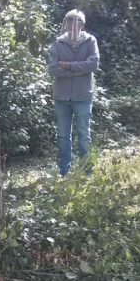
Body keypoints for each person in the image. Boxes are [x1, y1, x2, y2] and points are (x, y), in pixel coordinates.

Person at [47, 9, 100, 176]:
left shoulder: (90, 41)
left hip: (83, 96)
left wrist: (68, 66)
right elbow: (53, 69)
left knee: (84, 136)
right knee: (63, 137)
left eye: (76, 22)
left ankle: (87, 173)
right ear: (66, 24)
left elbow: (93, 64)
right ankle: (64, 172)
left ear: (82, 25)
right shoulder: (57, 43)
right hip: (61, 97)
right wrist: (79, 69)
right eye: (70, 22)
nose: (72, 26)